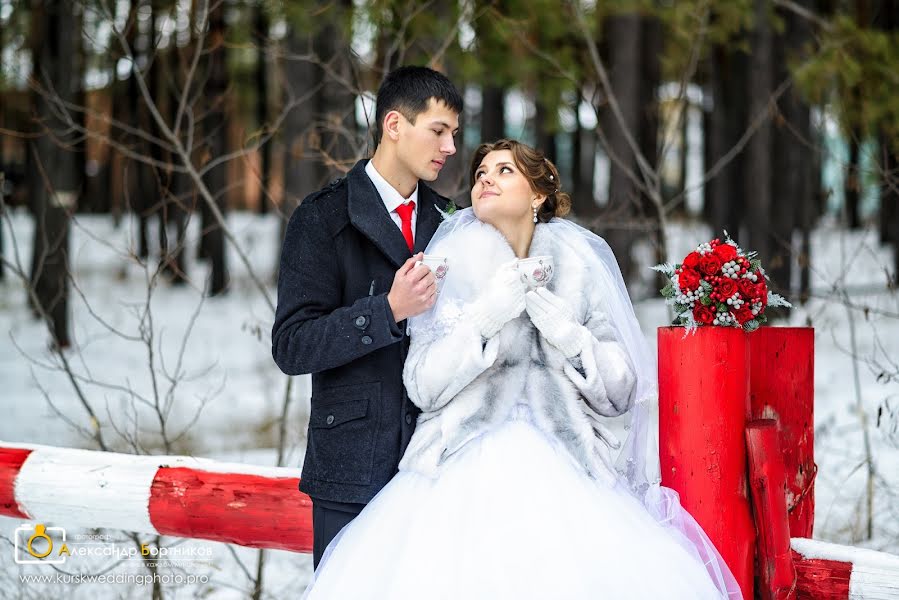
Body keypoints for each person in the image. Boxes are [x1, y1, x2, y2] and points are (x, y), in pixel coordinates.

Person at [300, 139, 743, 599]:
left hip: (569, 478)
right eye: (480, 174)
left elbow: (620, 392)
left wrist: (573, 338)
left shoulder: (578, 268)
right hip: (458, 475)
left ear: (538, 195)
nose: (486, 178)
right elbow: (421, 386)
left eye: (505, 171)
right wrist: (484, 320)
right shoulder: (448, 265)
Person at [271, 66, 463, 567]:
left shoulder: (451, 223)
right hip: (351, 469)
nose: (450, 148)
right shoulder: (321, 218)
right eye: (438, 131)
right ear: (394, 125)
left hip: (437, 465)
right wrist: (388, 311)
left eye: (454, 135)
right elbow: (293, 345)